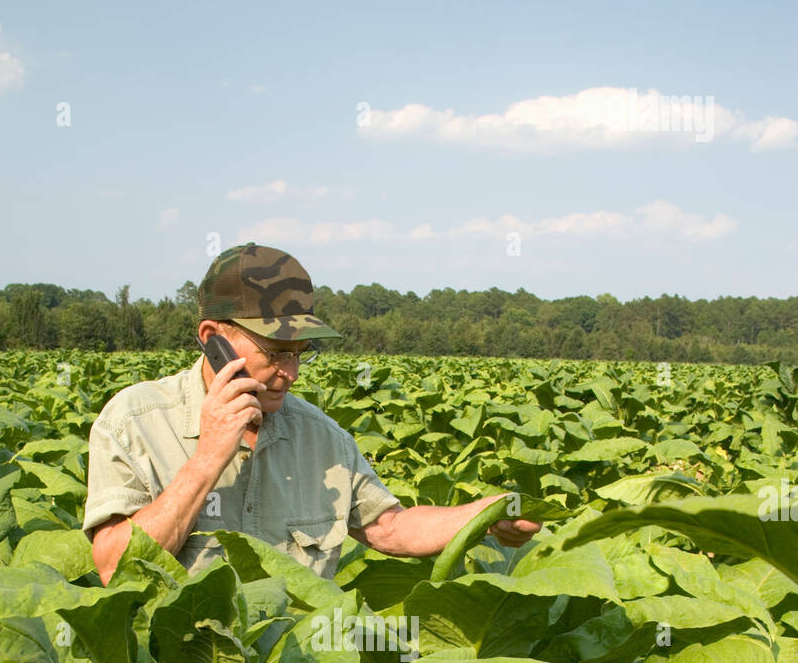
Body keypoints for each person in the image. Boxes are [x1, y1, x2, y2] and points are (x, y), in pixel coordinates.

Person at [84, 243, 541, 584]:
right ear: (212, 337)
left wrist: (485, 512)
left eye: (302, 353)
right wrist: (208, 456)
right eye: (276, 351)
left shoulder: (322, 438)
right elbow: (114, 567)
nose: (291, 372)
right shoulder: (133, 422)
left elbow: (390, 527)